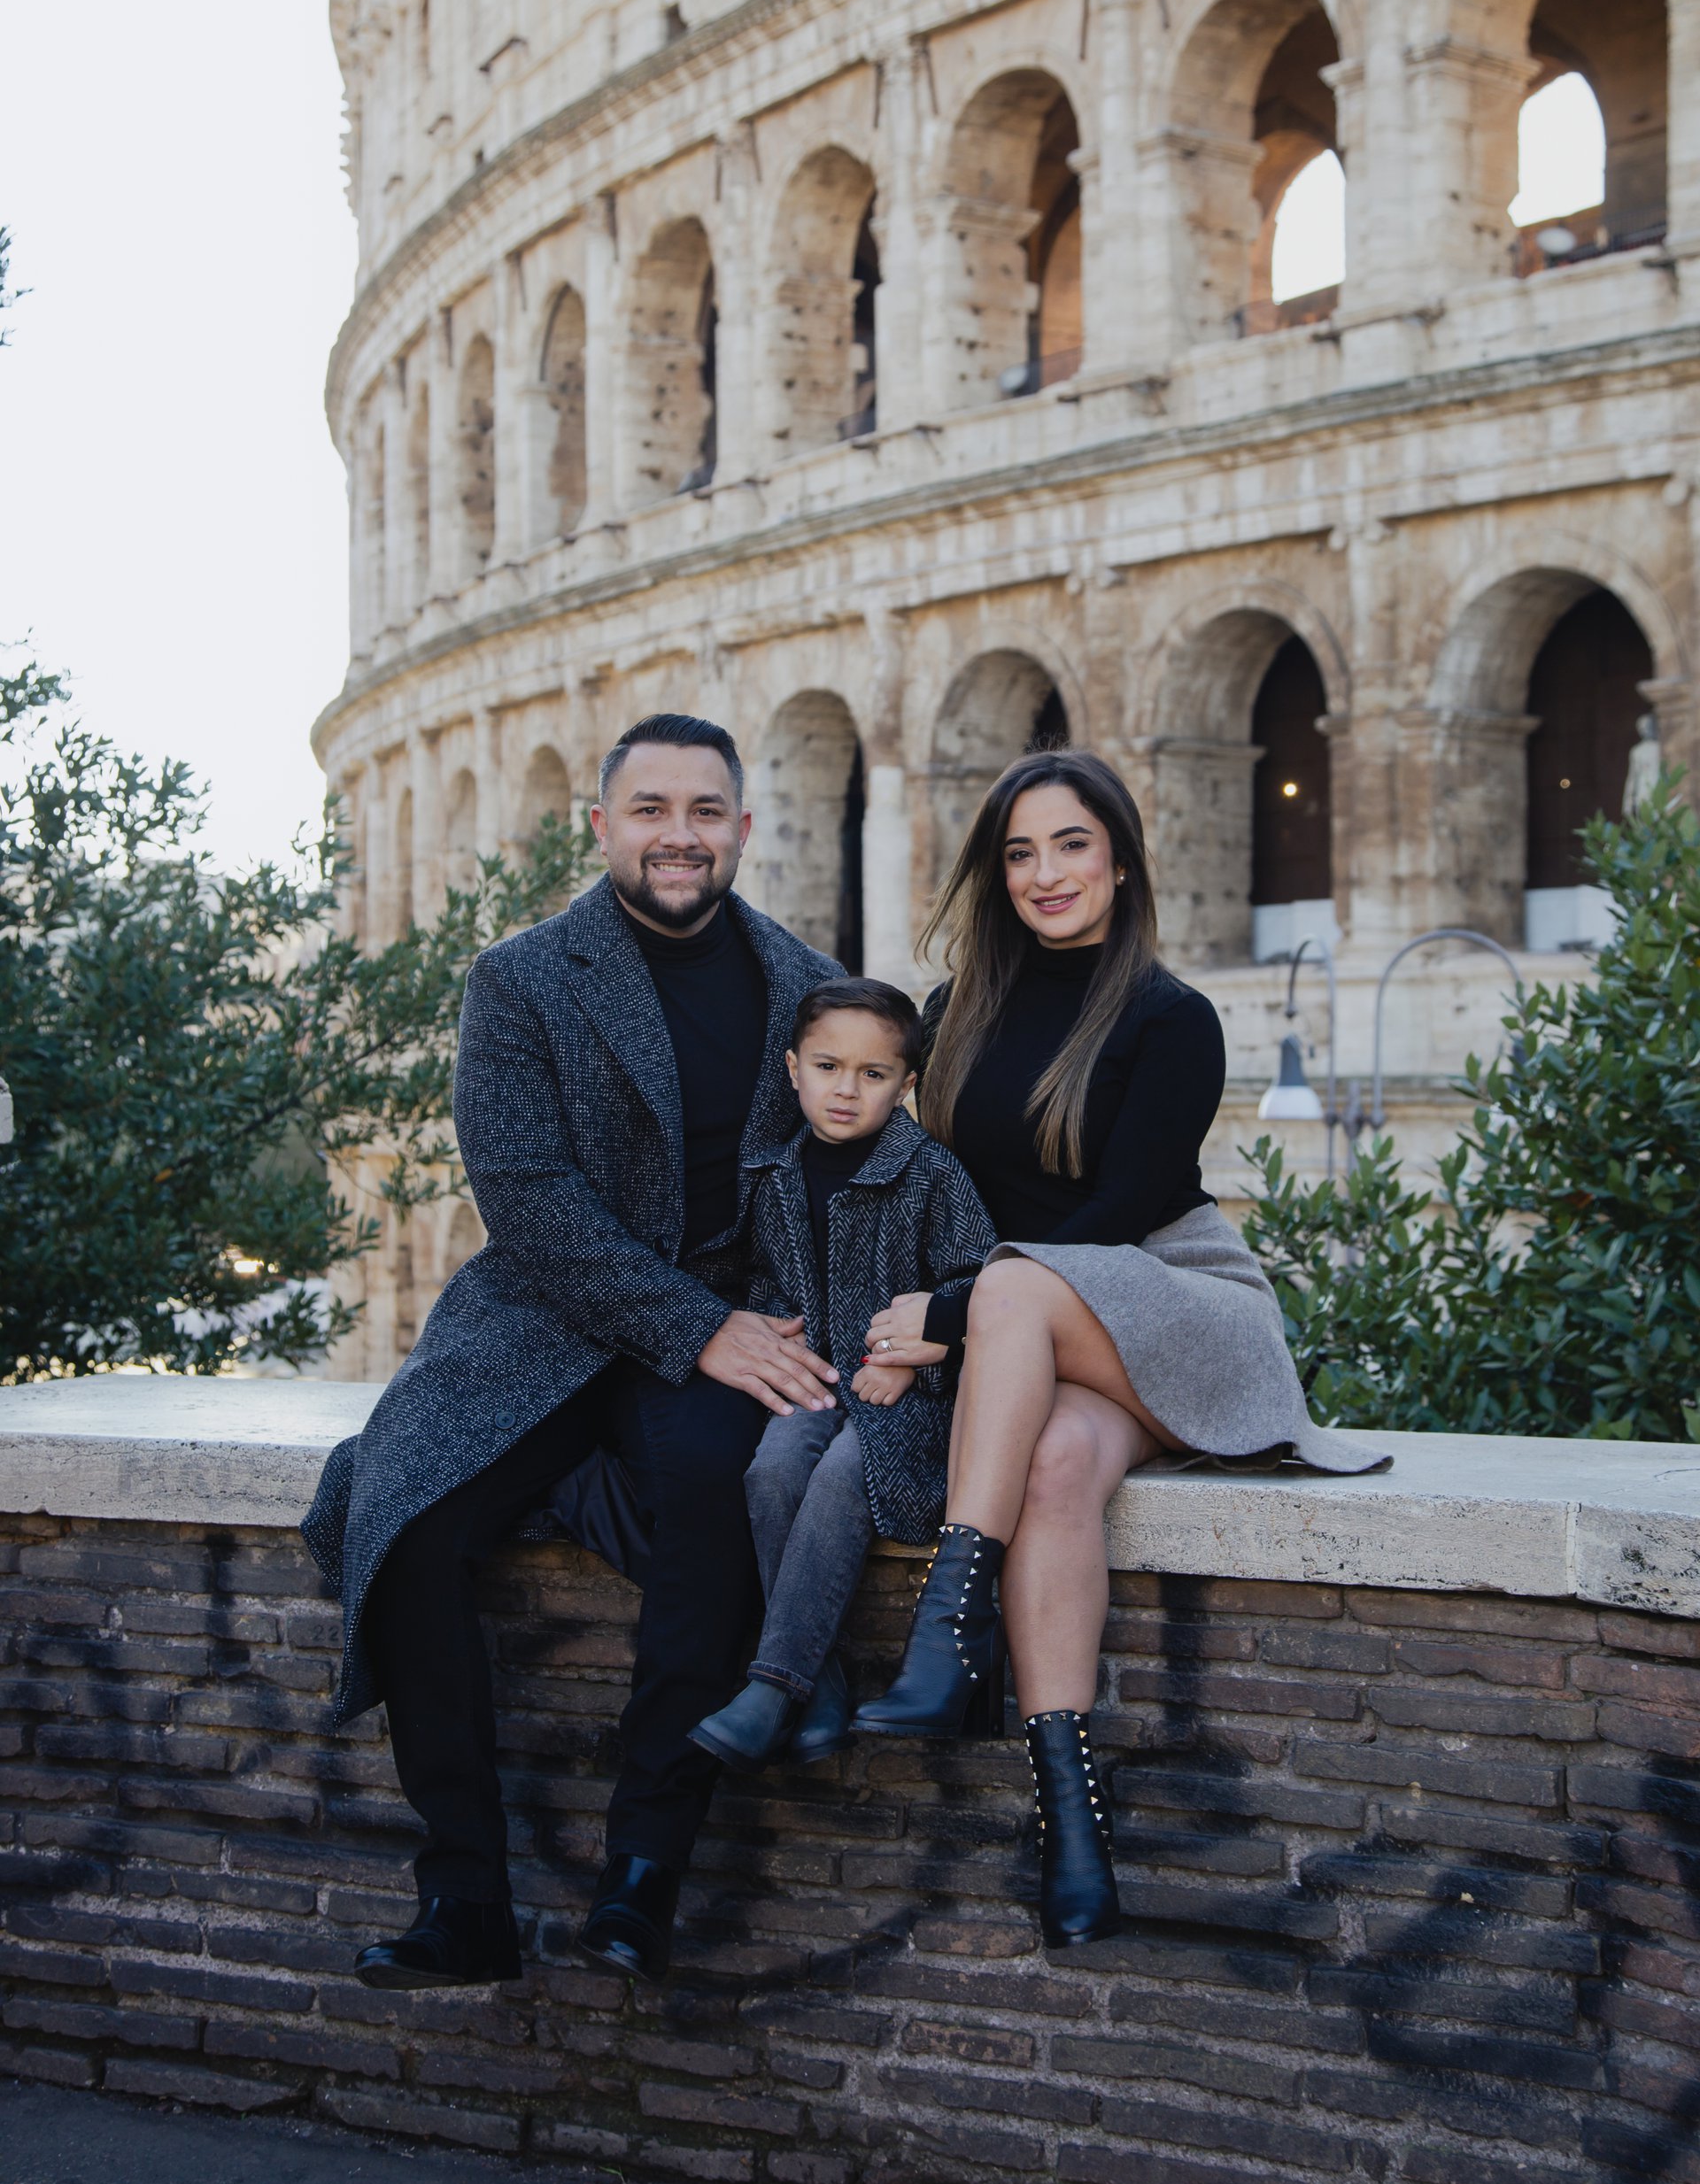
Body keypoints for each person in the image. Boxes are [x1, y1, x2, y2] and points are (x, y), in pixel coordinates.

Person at [301, 714, 841, 1994]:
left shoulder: (808, 985)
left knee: (715, 1504)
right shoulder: (521, 977)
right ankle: (463, 1898)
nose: (678, 836)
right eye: (650, 810)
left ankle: (645, 1872)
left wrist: (773, 1323)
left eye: (703, 812)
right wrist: (693, 1326)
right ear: (601, 827)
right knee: (405, 1511)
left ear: (743, 829)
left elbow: (850, 1170)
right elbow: (527, 1197)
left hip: (727, 1329)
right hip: (546, 1317)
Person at [852, 750, 1389, 1950]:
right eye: (1020, 852)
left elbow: (1118, 1215)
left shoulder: (1170, 1018)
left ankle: (947, 1632)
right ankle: (1074, 1822)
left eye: (1072, 845)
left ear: (1123, 861)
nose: (1046, 874)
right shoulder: (953, 1013)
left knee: (1013, 1289)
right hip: (1038, 1323)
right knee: (1053, 1467)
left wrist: (953, 1314)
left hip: (1177, 1300)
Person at [687, 978, 995, 1776]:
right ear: (795, 1070)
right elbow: (761, 1275)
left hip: (908, 1402)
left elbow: (978, 1284)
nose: (846, 1090)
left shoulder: (931, 1174)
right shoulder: (775, 1172)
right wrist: (769, 1329)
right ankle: (818, 1690)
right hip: (818, 1379)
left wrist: (908, 1358)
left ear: (906, 1085)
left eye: (873, 1074)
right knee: (772, 1470)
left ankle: (771, 1686)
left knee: (837, 1482)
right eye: (828, 1068)